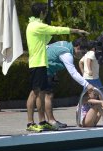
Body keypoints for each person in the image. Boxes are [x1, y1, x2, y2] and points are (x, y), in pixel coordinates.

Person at [26, 3, 89, 132]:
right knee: (35, 93)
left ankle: (42, 122)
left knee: (41, 93)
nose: (47, 13)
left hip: (41, 62)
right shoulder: (37, 26)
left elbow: (47, 38)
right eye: (46, 11)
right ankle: (30, 123)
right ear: (42, 12)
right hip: (37, 62)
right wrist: (75, 31)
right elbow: (55, 30)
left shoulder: (35, 26)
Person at [46, 39, 95, 129]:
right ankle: (50, 121)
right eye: (83, 52)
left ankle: (45, 120)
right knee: (47, 96)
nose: (83, 55)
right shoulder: (67, 54)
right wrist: (87, 85)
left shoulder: (65, 44)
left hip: (43, 67)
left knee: (42, 95)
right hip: (43, 69)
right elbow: (73, 73)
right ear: (78, 47)